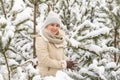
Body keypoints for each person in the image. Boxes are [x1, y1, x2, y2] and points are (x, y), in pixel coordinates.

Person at [36, 11, 76, 77]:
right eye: (52, 25)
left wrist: (67, 61)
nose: (55, 28)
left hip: (58, 75)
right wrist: (64, 64)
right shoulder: (41, 39)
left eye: (57, 25)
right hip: (46, 76)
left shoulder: (59, 39)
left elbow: (59, 56)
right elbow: (44, 60)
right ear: (46, 26)